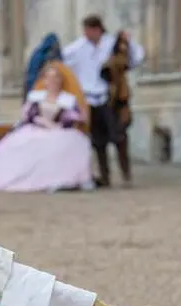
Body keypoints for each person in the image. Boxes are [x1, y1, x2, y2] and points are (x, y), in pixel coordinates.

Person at [0, 65, 94, 194]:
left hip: (59, 131)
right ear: (44, 80)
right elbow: (27, 115)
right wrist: (39, 120)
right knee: (15, 146)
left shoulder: (68, 99)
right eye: (49, 77)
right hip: (35, 129)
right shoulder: (36, 97)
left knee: (72, 144)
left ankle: (64, 179)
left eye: (56, 77)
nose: (53, 81)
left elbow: (78, 117)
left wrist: (60, 122)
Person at [63, 15, 145, 189]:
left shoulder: (112, 44)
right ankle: (105, 176)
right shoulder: (77, 48)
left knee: (119, 136)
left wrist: (129, 42)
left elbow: (136, 58)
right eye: (86, 30)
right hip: (89, 99)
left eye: (91, 30)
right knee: (98, 140)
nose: (88, 34)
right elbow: (62, 62)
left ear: (98, 29)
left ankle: (126, 174)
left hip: (111, 97)